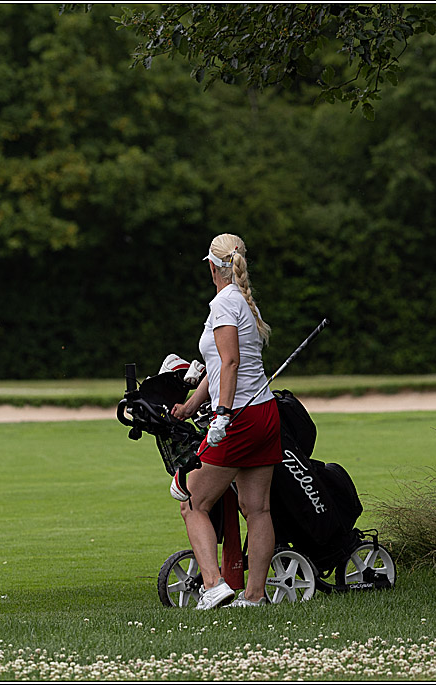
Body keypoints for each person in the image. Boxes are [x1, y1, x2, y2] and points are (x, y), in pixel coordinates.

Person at [168, 234, 281, 609]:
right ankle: (254, 596)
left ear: (212, 266)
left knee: (190, 500)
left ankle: (214, 585)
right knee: (257, 508)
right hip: (264, 412)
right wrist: (189, 406)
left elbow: (229, 362)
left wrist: (222, 414)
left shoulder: (223, 305)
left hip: (239, 418)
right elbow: (218, 367)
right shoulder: (244, 302)